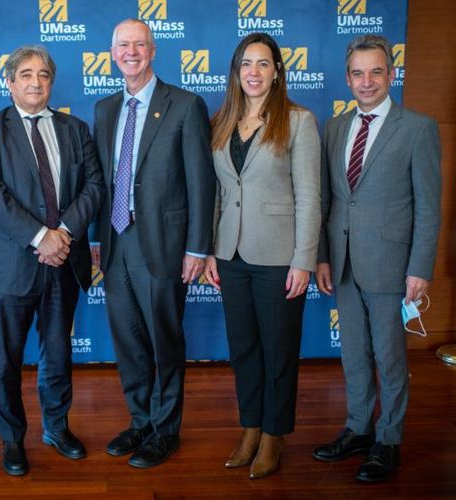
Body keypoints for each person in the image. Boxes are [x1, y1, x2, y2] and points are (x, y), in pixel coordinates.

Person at [313, 35, 441, 483]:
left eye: (376, 72)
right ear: (348, 78)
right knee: (352, 354)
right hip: (343, 263)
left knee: (388, 359)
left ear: (392, 74)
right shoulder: (333, 128)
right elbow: (328, 201)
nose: (366, 81)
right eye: (358, 73)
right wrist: (323, 258)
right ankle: (358, 429)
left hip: (391, 266)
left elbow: (428, 207)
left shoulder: (418, 128)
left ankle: (388, 440)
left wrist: (419, 269)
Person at [0, 45, 104, 476]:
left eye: (43, 74)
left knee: (57, 352)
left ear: (51, 81)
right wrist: (39, 237)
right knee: (5, 361)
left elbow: (95, 186)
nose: (35, 82)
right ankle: (11, 439)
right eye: (25, 74)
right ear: (9, 82)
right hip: (9, 266)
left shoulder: (75, 128)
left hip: (63, 260)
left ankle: (57, 427)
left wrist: (62, 234)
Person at [93, 19, 215, 468]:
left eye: (139, 45)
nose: (131, 52)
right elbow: (101, 184)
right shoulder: (105, 109)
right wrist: (94, 238)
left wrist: (198, 248)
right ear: (112, 53)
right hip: (116, 242)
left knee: (164, 340)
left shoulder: (184, 105)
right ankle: (140, 419)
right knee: (128, 340)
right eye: (123, 45)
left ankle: (166, 430)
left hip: (164, 245)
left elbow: (202, 184)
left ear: (153, 50)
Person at [203, 32, 321, 479]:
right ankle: (250, 427)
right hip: (230, 255)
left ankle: (274, 435)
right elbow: (217, 193)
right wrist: (213, 251)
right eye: (246, 64)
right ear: (236, 72)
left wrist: (303, 260)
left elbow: (311, 196)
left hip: (279, 257)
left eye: (263, 64)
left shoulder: (298, 121)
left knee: (279, 350)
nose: (253, 72)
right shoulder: (221, 122)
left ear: (276, 73)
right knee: (244, 349)